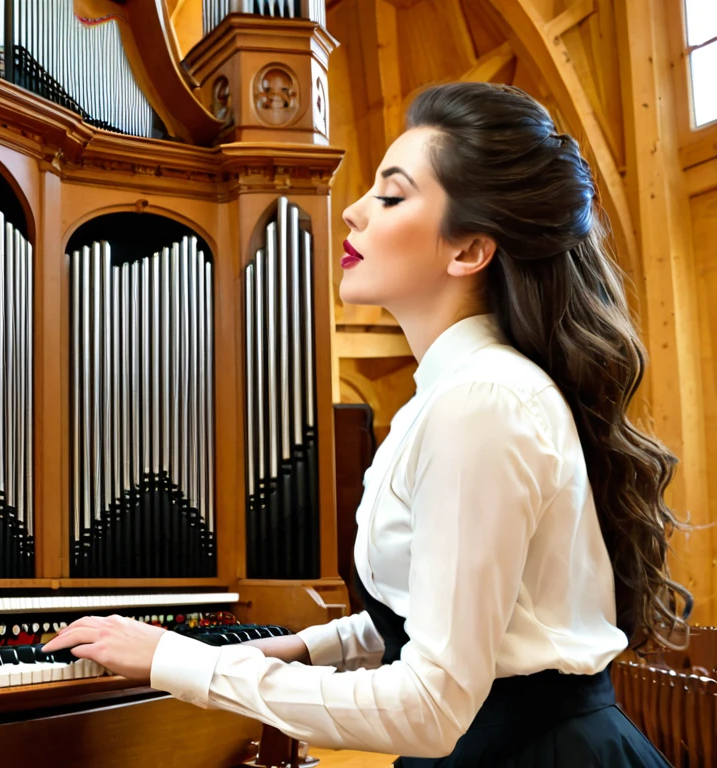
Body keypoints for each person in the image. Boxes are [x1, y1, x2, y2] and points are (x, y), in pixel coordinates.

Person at [42, 81, 690, 766]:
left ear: (468, 250)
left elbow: (432, 708)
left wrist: (183, 663)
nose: (351, 210)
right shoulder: (447, 398)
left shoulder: (482, 403)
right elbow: (445, 612)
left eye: (390, 195)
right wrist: (300, 645)